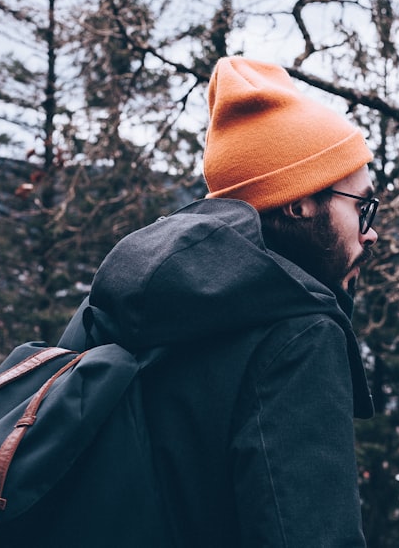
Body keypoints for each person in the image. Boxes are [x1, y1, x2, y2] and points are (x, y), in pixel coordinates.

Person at [58, 56, 379, 546]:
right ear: (301, 201)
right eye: (363, 206)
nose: (372, 232)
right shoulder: (300, 337)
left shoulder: (113, 307)